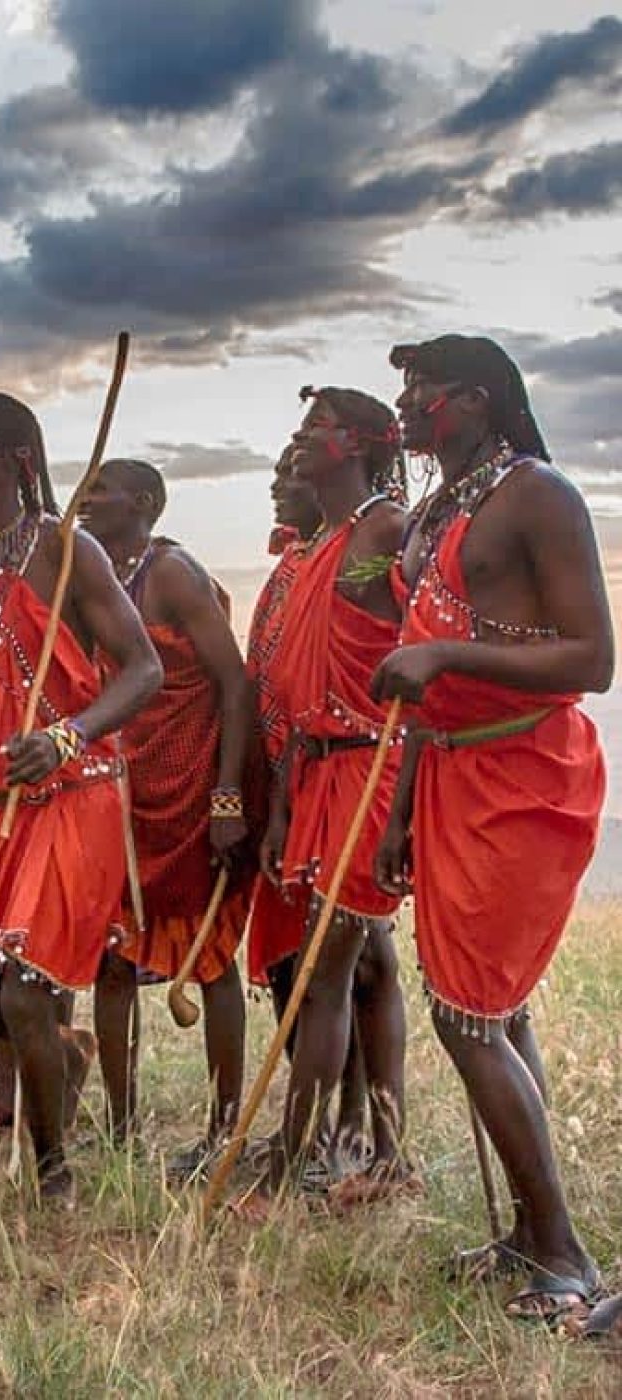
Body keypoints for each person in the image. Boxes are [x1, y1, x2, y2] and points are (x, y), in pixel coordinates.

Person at [373, 334, 612, 1322]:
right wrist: (397, 810)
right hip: (450, 769)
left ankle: (562, 1252)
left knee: (465, 1012)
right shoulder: (436, 508)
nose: (406, 407)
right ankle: (524, 1229)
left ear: (473, 400)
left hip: (526, 770)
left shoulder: (537, 494)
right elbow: (431, 678)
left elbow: (591, 657)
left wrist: (442, 655)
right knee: (494, 1008)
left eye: (421, 393)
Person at [0, 393, 162, 1206]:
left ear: (14, 458)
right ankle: (65, 1057)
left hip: (72, 792)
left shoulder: (67, 550)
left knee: (24, 987)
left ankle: (53, 1170)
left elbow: (143, 670)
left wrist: (66, 737)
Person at [82, 459, 255, 1174]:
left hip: (188, 793)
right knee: (111, 962)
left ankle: (222, 1130)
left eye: (102, 491)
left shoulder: (173, 574)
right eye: (84, 489)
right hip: (117, 798)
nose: (86, 500)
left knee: (212, 964)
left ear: (145, 503)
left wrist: (227, 797)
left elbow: (235, 686)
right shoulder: (93, 576)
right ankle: (121, 1128)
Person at [259, 387, 410, 1196]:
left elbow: (423, 642)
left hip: (367, 765)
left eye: (314, 427)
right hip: (318, 768)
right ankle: (370, 1144)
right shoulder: (328, 543)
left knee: (331, 967)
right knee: (363, 960)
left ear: (356, 444)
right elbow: (293, 686)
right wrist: (282, 801)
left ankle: (302, 1154)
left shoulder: (387, 530)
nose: (298, 438)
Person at [246, 450, 370, 1177]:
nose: (278, 482)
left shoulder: (366, 542)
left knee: (358, 962)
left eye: (295, 466)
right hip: (296, 774)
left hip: (352, 771)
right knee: (304, 963)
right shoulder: (300, 560)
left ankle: (358, 1132)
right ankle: (319, 1129)